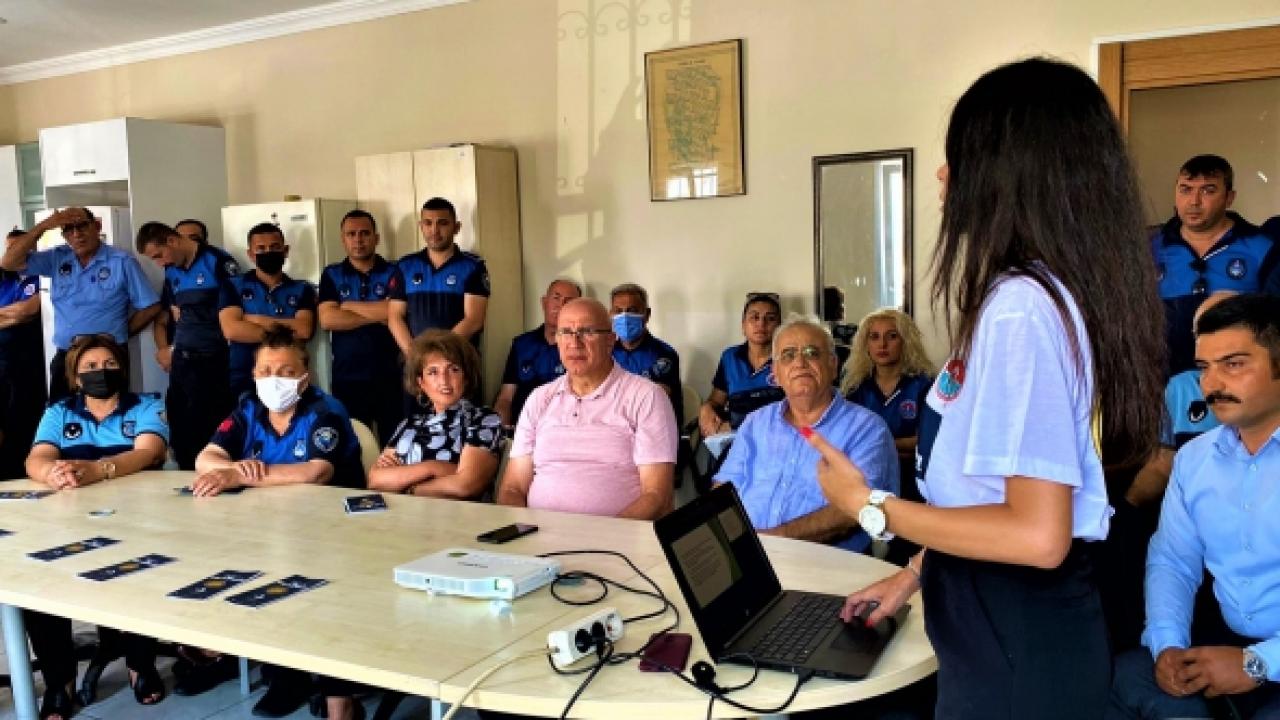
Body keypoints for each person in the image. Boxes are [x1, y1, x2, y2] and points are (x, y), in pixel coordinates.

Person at [806, 58, 1166, 719]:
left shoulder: (1022, 307)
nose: (944, 176)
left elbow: (1036, 534)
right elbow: (987, 495)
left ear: (1008, 173)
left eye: (958, 157)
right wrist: (914, 572)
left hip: (1016, 640)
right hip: (1000, 620)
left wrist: (869, 506)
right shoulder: (1040, 294)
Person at [1107, 293, 1280, 719]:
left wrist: (1259, 663)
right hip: (1223, 639)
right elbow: (1173, 560)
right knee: (1124, 678)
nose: (1211, 384)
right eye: (1204, 367)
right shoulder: (1194, 459)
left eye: (1233, 364)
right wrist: (1168, 644)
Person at [189, 326, 362, 719]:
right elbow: (205, 458)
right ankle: (277, 673)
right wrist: (234, 468)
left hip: (334, 532)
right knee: (245, 570)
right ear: (254, 374)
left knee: (313, 591)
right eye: (266, 371)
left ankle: (330, 689)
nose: (274, 380)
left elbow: (315, 473)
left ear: (305, 377)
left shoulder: (325, 411)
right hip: (268, 526)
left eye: (286, 372)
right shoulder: (249, 408)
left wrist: (241, 477)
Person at [24, 334, 169, 719]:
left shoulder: (147, 405)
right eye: (89, 367)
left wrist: (99, 469)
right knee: (38, 583)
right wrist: (52, 473)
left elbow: (148, 452)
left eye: (109, 364)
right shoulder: (59, 412)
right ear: (75, 377)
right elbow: (37, 458)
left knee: (142, 572)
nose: (100, 372)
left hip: (136, 519)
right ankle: (59, 680)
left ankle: (141, 664)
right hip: (67, 521)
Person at [715, 316, 897, 553]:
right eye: (788, 355)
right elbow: (723, 490)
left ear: (833, 366)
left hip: (822, 562)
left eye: (812, 353)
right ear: (775, 373)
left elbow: (855, 510)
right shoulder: (755, 423)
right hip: (748, 555)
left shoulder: (868, 429)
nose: (800, 362)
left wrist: (772, 540)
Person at [497, 298, 676, 519]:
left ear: (610, 340)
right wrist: (523, 530)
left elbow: (657, 497)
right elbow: (512, 488)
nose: (574, 342)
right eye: (565, 332)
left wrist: (603, 536)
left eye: (587, 331)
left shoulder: (646, 397)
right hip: (539, 534)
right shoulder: (539, 399)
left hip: (616, 536)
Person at [0, 207, 161, 402]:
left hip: (107, 357)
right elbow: (8, 263)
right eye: (69, 229)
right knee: (62, 412)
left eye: (82, 226)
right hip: (67, 355)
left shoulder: (122, 262)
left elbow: (151, 306)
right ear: (64, 235)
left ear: (97, 226)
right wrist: (44, 226)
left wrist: (120, 333)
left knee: (109, 412)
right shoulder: (56, 258)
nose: (76, 234)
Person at [1152, 155, 1278, 375]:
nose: (1194, 201)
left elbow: (1274, 325)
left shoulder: (1263, 248)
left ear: (1229, 198)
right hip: (1162, 376)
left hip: (1235, 378)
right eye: (1185, 190)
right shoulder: (1150, 248)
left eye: (1208, 191)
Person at [136, 220, 241, 469]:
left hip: (213, 359)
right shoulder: (171, 270)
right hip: (183, 360)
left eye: (159, 255)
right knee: (180, 428)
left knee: (210, 430)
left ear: (172, 241)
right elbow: (174, 314)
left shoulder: (218, 262)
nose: (159, 263)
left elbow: (236, 312)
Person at [368, 329, 503, 498]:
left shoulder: (483, 419)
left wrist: (407, 486)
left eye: (453, 369)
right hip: (404, 512)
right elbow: (375, 480)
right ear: (421, 383)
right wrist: (433, 468)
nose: (444, 380)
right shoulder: (409, 424)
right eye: (433, 372)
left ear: (466, 377)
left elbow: (465, 486)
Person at [319, 209, 410, 445]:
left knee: (396, 443)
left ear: (376, 238)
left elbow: (398, 312)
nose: (358, 240)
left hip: (390, 374)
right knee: (354, 444)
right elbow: (328, 320)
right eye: (351, 234)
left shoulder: (395, 271)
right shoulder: (331, 274)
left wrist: (348, 306)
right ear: (343, 239)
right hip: (348, 377)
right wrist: (381, 313)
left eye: (364, 233)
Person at [218, 222, 316, 399]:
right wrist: (285, 332)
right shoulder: (233, 285)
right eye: (261, 249)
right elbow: (231, 329)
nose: (268, 252)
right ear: (250, 254)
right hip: (243, 374)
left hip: (289, 376)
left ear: (285, 250)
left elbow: (304, 330)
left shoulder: (303, 289)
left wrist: (254, 320)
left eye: (274, 247)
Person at [841, 307, 934, 493]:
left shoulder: (924, 385)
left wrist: (877, 444)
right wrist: (901, 445)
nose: (882, 344)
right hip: (865, 479)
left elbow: (928, 441)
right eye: (874, 337)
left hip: (914, 482)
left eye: (892, 336)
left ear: (905, 342)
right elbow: (848, 440)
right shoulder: (855, 387)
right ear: (865, 344)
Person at [388, 197, 490, 353]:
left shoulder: (473, 266)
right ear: (421, 227)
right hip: (416, 360)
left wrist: (438, 355)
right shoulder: (405, 266)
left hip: (458, 358)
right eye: (428, 223)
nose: (434, 230)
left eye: (442, 223)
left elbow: (474, 320)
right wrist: (415, 355)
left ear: (456, 227)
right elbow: (395, 316)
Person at [493, 278, 582, 427]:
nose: (560, 305)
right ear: (544, 303)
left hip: (562, 428)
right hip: (521, 427)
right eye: (556, 298)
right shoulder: (521, 344)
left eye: (568, 301)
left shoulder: (581, 348)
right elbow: (506, 398)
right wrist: (503, 429)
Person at [697, 292, 783, 437]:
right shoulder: (730, 357)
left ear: (780, 327)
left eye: (770, 318)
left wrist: (735, 425)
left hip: (776, 437)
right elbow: (716, 401)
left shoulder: (788, 358)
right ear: (743, 325)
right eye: (754, 317)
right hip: (735, 439)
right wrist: (706, 408)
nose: (761, 324)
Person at [0, 229, 45, 481]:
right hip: (2, 361)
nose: (13, 252)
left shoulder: (39, 275)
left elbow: (28, 311)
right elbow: (15, 314)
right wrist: (11, 315)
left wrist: (9, 315)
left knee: (24, 417)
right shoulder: (4, 277)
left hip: (27, 362)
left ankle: (23, 470)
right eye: (9, 248)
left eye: (19, 246)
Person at [609, 282, 683, 424]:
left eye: (632, 310)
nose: (625, 317)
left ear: (647, 314)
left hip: (653, 427)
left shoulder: (664, 354)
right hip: (615, 428)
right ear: (611, 314)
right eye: (618, 311)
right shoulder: (606, 353)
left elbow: (654, 400)